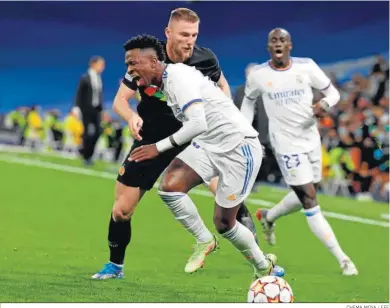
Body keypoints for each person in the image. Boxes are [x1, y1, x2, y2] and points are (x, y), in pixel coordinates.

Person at [92, 8, 258, 280]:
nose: (189, 40)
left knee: (227, 198)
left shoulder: (205, 58)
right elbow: (120, 100)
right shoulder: (147, 58)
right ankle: (115, 266)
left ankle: (260, 265)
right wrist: (132, 116)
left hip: (195, 137)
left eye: (193, 35)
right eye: (183, 34)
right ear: (168, 33)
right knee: (121, 210)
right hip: (153, 139)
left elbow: (223, 89)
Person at [125, 34, 285, 280]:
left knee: (224, 223)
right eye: (128, 64)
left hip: (239, 148)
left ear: (154, 62)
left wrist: (158, 147)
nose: (130, 69)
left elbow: (197, 122)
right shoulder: (165, 83)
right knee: (170, 188)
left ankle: (263, 266)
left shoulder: (178, 77)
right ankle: (203, 240)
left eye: (134, 63)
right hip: (209, 144)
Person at [240, 28, 358, 276]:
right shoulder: (259, 75)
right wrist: (244, 129)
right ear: (268, 47)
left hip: (311, 139)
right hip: (285, 144)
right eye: (273, 41)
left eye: (282, 40)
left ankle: (269, 217)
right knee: (309, 200)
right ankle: (343, 259)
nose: (278, 44)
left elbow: (333, 93)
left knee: (310, 188)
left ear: (290, 45)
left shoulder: (306, 67)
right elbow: (249, 102)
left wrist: (324, 104)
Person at [75, 56, 105, 166]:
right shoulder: (85, 78)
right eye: (101, 64)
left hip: (96, 109)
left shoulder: (99, 78)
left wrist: (102, 111)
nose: (102, 67)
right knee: (87, 133)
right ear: (93, 64)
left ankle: (87, 152)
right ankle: (86, 156)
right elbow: (79, 94)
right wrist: (77, 108)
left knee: (98, 131)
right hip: (86, 109)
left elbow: (99, 96)